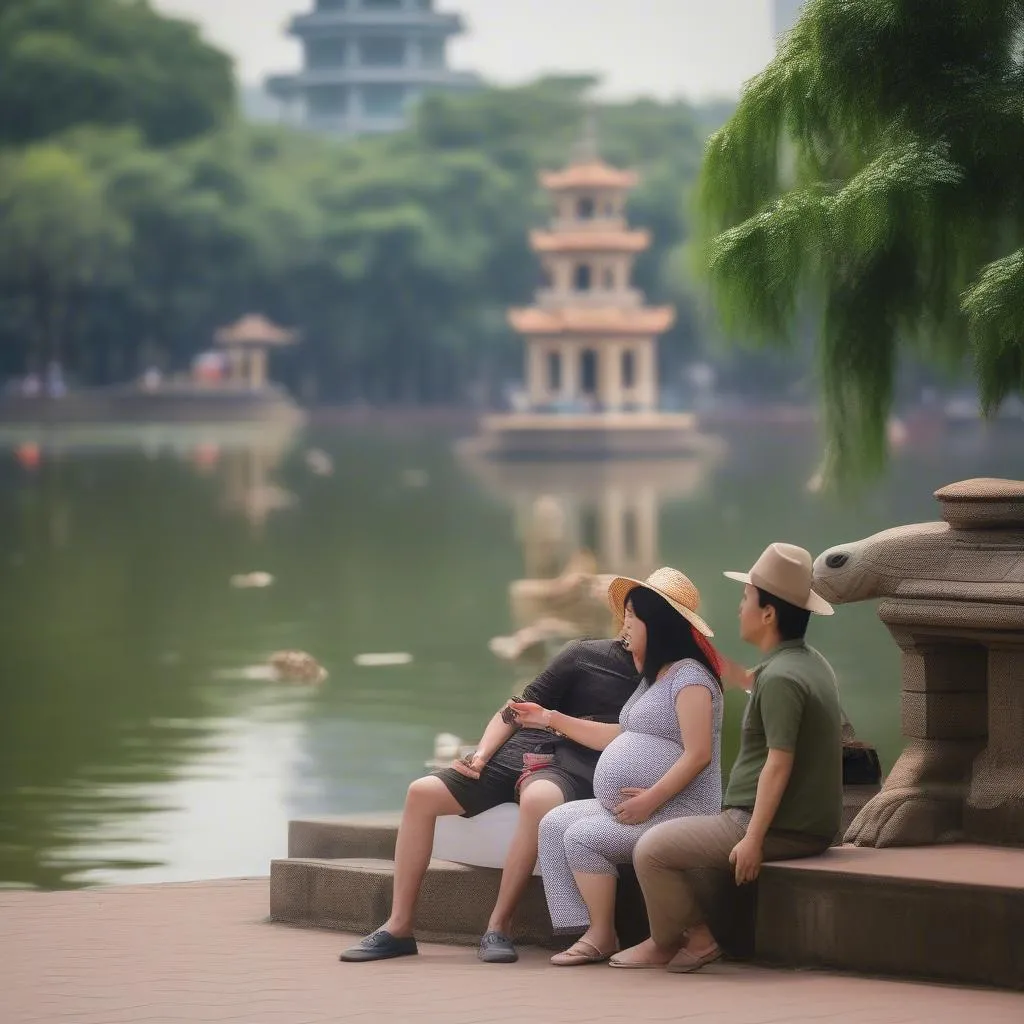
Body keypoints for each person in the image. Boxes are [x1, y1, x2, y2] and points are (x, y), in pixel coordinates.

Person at [339, 629, 639, 964]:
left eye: (638, 615)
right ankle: (399, 928)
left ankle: (499, 925)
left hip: (572, 766)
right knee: (421, 793)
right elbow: (513, 711)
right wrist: (481, 755)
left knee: (539, 799)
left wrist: (553, 721)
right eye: (628, 612)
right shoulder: (584, 655)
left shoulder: (663, 678)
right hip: (520, 750)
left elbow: (623, 737)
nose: (629, 623)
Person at [611, 542, 843, 973]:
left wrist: (752, 838)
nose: (740, 609)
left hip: (776, 824)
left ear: (768, 613)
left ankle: (677, 940)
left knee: (651, 849)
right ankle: (673, 940)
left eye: (746, 599)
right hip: (806, 822)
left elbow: (779, 763)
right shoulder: (810, 664)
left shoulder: (783, 678)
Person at [514, 568, 723, 967]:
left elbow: (698, 755)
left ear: (657, 624)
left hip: (680, 809)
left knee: (583, 837)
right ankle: (592, 929)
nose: (624, 625)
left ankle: (603, 934)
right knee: (554, 823)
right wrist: (550, 717)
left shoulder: (691, 678)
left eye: (632, 617)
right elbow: (618, 737)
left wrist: (651, 800)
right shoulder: (655, 679)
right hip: (645, 805)